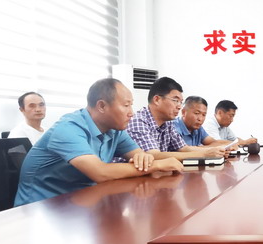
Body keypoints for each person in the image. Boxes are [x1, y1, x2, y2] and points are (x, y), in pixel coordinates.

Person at [15, 78, 183, 206]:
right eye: (126, 106)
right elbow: (100, 172)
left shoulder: (115, 130)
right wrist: (157, 165)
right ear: (102, 106)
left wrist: (145, 158)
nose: (131, 113)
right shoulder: (68, 128)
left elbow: (140, 155)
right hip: (40, 209)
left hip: (79, 203)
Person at [126, 77, 225, 161]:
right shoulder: (139, 121)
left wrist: (215, 150)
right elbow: (154, 155)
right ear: (157, 100)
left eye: (180, 102)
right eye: (175, 100)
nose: (179, 106)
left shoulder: (168, 123)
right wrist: (204, 154)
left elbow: (184, 148)